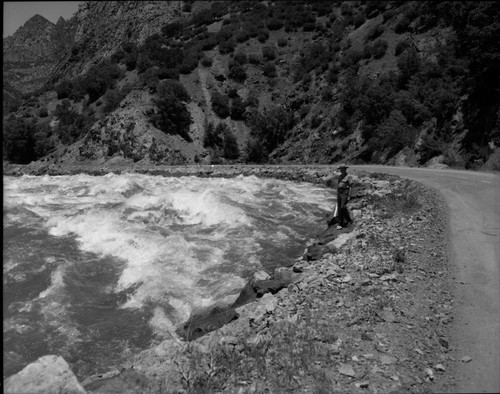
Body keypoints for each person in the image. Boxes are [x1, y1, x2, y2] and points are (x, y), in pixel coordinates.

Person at [336, 163, 352, 229]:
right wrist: (337, 193)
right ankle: (340, 223)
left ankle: (348, 219)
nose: (341, 170)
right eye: (340, 169)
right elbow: (338, 185)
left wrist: (349, 195)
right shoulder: (339, 176)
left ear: (345, 169)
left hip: (345, 192)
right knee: (339, 208)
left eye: (342, 169)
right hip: (339, 192)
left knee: (343, 207)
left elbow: (350, 186)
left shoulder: (348, 176)